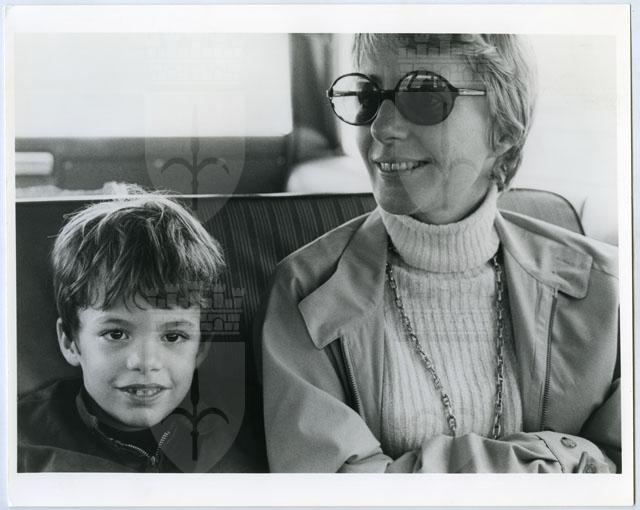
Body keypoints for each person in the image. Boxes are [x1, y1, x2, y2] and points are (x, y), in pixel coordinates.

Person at [260, 34, 620, 473]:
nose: (380, 128)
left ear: (504, 131)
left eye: (425, 98)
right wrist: (553, 463)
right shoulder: (303, 294)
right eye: (369, 98)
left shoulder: (609, 290)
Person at [18, 192, 252, 472]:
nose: (145, 362)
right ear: (70, 341)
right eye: (116, 334)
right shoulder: (21, 448)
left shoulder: (235, 445)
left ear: (200, 348)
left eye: (173, 336)